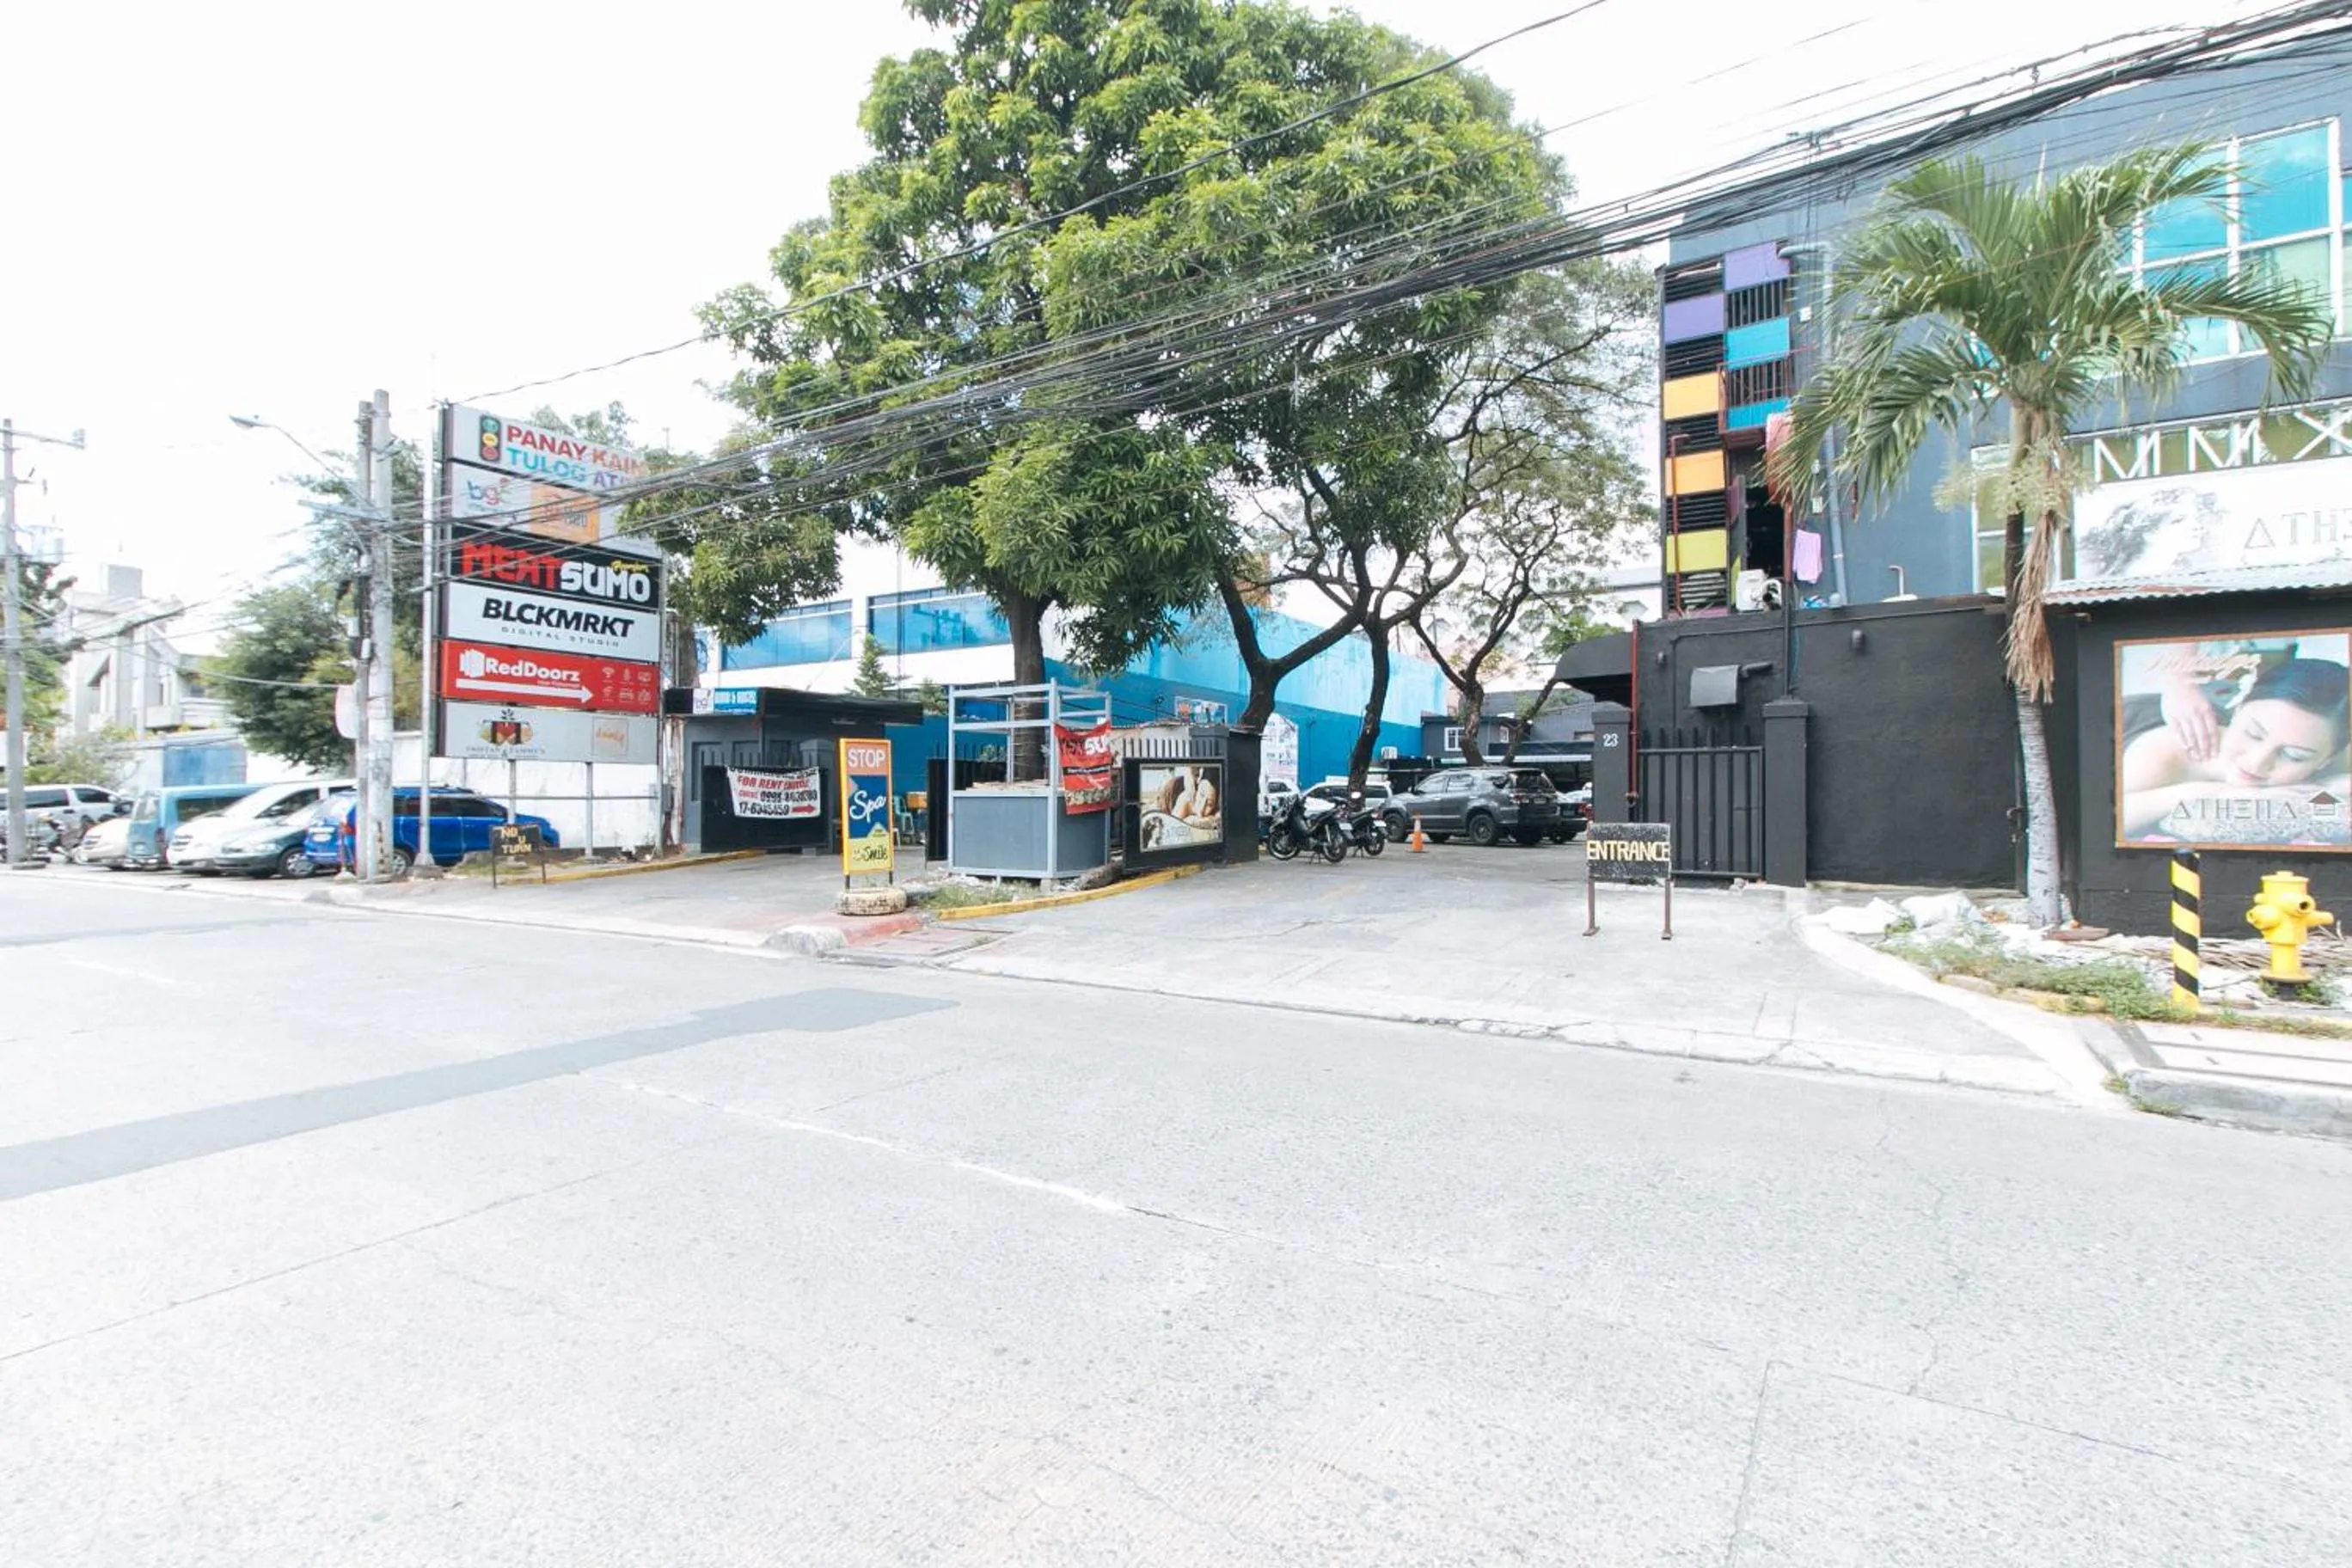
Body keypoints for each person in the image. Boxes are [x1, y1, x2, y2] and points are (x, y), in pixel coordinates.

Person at [2121, 658, 2352, 840]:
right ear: (2238, 710)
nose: (2257, 762)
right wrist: (2203, 792)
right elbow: (2103, 821)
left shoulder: (2331, 748)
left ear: (2326, 760)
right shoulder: (2164, 754)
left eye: (2293, 756)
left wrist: (2327, 788)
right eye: (2253, 734)